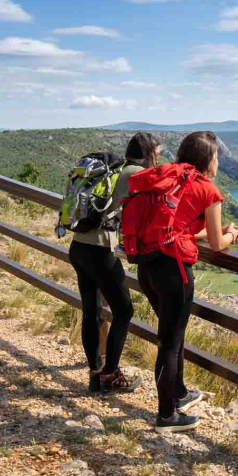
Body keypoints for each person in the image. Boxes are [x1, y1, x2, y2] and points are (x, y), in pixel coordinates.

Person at [135, 131, 238, 432]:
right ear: (208, 160)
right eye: (217, 156)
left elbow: (179, 226)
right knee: (170, 344)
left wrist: (213, 232)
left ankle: (179, 394)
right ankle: (166, 416)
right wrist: (232, 234)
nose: (218, 162)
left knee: (173, 336)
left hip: (148, 267)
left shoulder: (171, 178)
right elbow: (218, 244)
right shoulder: (208, 190)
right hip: (174, 272)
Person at [68, 131, 161, 395]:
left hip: (78, 246)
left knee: (91, 310)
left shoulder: (115, 170)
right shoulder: (137, 174)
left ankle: (95, 375)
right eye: (158, 153)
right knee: (124, 311)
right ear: (149, 153)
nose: (159, 158)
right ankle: (110, 374)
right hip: (99, 252)